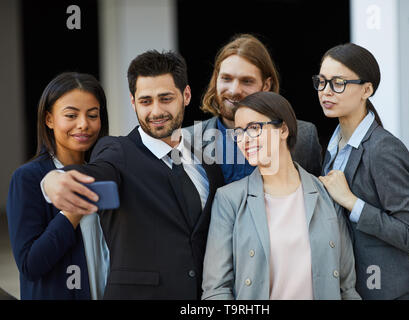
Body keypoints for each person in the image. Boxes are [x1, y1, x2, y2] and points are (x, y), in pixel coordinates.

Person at [40, 50, 224, 299]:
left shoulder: (208, 164)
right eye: (146, 101)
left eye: (166, 98)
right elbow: (95, 172)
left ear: (186, 95)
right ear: (133, 101)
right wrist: (54, 179)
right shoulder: (117, 151)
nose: (156, 111)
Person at [201, 91, 360, 300]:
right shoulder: (229, 200)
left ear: (283, 129)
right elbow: (216, 290)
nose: (244, 140)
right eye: (238, 132)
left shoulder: (327, 195)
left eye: (254, 128)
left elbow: (346, 288)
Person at [315, 43, 409, 299]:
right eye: (321, 82)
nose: (326, 91)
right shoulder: (332, 145)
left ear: (367, 89)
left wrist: (352, 202)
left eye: (338, 83)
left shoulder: (384, 148)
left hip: (390, 292)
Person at [6, 72, 110, 299]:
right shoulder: (28, 178)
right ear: (49, 119)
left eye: (92, 115)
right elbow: (30, 265)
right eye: (71, 115)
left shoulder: (106, 172)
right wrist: (73, 211)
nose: (83, 124)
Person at [186, 34, 322, 183]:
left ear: (266, 85)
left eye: (247, 81)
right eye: (226, 78)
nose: (234, 90)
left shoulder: (304, 138)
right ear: (216, 79)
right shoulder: (186, 141)